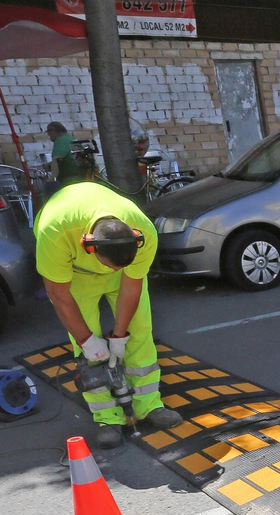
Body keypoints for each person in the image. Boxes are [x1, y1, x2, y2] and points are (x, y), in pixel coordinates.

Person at [34, 180, 179, 449]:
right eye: (109, 265)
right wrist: (89, 342)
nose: (112, 271)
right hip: (76, 275)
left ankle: (149, 405)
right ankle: (107, 417)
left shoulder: (144, 230)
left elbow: (132, 284)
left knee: (140, 332)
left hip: (126, 276)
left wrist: (120, 335)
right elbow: (58, 295)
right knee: (88, 351)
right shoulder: (55, 232)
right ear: (90, 247)